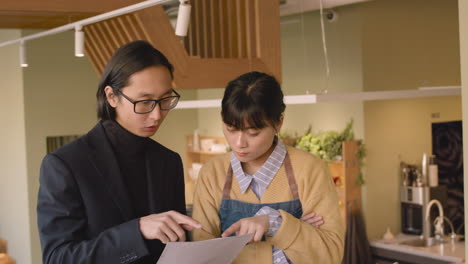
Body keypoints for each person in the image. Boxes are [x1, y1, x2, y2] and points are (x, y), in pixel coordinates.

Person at [37, 40, 201, 264]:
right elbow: (58, 258)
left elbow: (176, 246)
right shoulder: (65, 164)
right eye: (144, 102)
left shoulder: (169, 161)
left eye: (165, 100)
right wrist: (137, 230)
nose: (156, 115)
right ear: (111, 96)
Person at [191, 71, 344, 263]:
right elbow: (201, 257)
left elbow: (329, 255)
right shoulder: (212, 173)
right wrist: (289, 236)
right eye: (231, 129)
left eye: (253, 133)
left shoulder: (310, 169)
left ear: (278, 123)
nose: (239, 143)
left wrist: (273, 223)